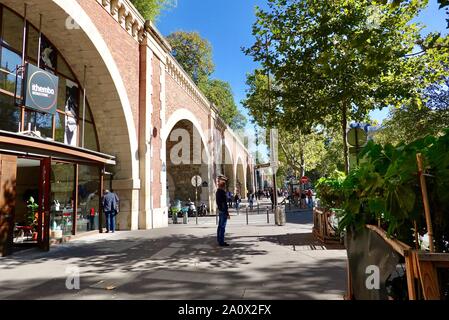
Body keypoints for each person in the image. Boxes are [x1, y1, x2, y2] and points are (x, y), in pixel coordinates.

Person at [216, 175, 230, 247]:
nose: (225, 188)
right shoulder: (222, 193)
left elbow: (218, 202)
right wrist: (227, 213)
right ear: (223, 186)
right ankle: (221, 241)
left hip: (220, 210)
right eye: (224, 186)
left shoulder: (217, 192)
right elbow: (224, 203)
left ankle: (219, 239)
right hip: (223, 210)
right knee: (222, 226)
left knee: (219, 226)